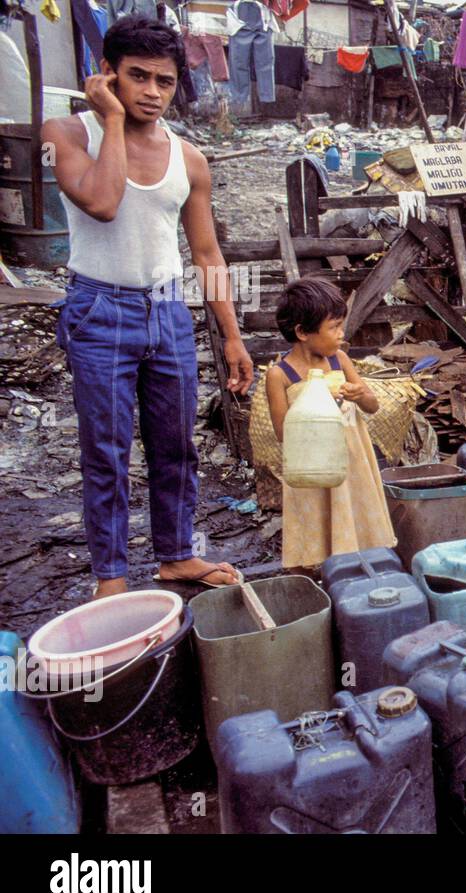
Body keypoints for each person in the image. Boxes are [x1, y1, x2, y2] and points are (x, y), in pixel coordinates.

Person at [43, 15, 253, 600]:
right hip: (98, 309)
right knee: (107, 451)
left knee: (174, 445)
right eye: (137, 77)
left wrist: (232, 336)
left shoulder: (188, 157)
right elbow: (103, 203)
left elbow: (208, 253)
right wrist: (111, 118)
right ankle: (110, 576)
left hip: (168, 314)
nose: (152, 93)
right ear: (107, 74)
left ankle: (176, 555)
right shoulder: (67, 132)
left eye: (164, 81)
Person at [264, 278, 397, 571]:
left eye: (341, 325)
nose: (341, 334)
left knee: (354, 516)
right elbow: (282, 432)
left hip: (351, 462)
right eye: (334, 327)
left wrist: (361, 393)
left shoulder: (339, 360)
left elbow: (372, 407)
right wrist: (314, 406)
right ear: (302, 332)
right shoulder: (280, 375)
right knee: (316, 529)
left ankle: (361, 573)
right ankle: (316, 581)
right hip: (311, 468)